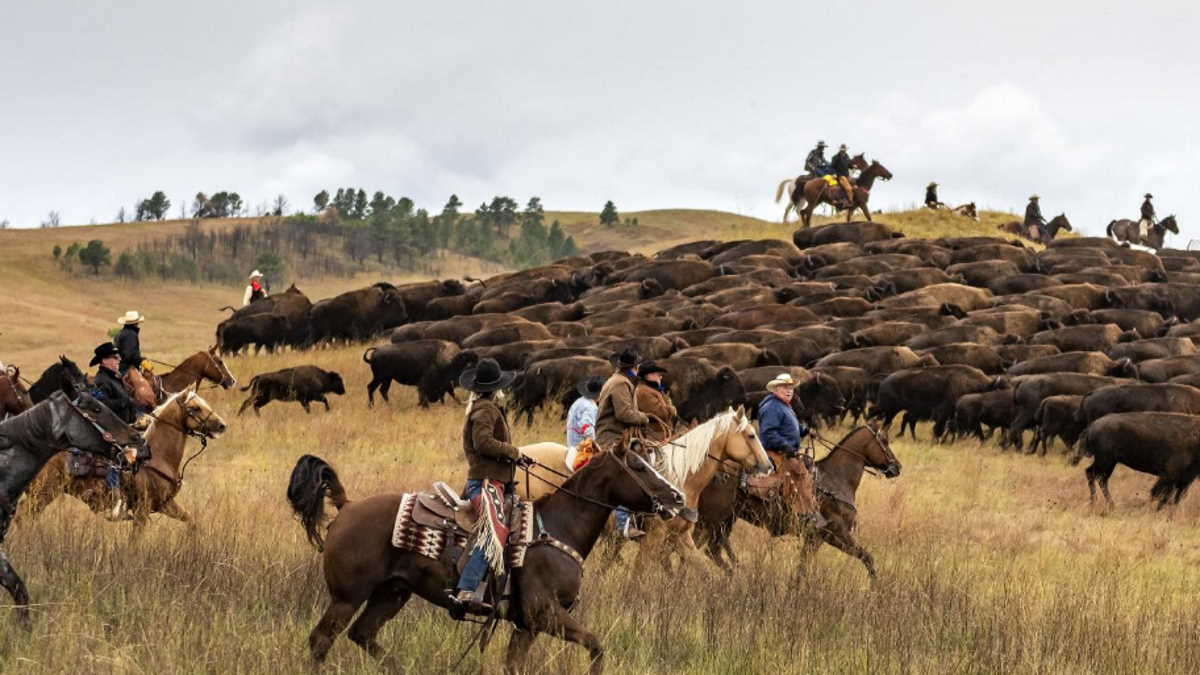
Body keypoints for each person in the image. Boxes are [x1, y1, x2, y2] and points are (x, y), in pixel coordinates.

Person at [450, 358, 528, 617]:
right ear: (497, 387)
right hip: (485, 483)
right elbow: (483, 443)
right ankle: (466, 589)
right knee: (493, 534)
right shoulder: (485, 410)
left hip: (494, 480)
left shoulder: (486, 407)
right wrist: (514, 452)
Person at [595, 348, 650, 538]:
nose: (638, 369)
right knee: (625, 475)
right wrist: (644, 418)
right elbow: (624, 413)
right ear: (633, 368)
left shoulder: (619, 380)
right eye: (637, 366)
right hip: (612, 438)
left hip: (615, 435)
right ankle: (622, 525)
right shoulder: (620, 384)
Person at [88, 342, 140, 519]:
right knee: (117, 459)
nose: (118, 360)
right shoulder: (101, 380)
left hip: (124, 428)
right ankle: (115, 502)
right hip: (109, 431)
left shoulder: (114, 378)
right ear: (104, 361)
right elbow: (100, 406)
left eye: (118, 357)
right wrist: (124, 403)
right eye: (114, 358)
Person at [757, 373, 808, 459]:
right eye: (785, 387)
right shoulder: (772, 407)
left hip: (788, 453)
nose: (789, 391)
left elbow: (788, 425)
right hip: (777, 456)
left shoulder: (784, 406)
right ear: (776, 389)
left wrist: (803, 430)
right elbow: (768, 433)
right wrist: (784, 445)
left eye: (791, 388)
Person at [634, 361, 676, 444]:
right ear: (649, 376)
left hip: (661, 434)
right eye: (657, 374)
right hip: (654, 437)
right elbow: (662, 414)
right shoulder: (643, 392)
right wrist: (672, 409)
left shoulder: (651, 389)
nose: (660, 377)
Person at [567, 376, 602, 450]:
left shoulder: (579, 401)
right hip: (581, 446)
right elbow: (586, 427)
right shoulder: (591, 407)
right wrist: (595, 444)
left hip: (571, 442)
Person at [114, 311, 146, 375]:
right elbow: (130, 355)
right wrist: (141, 360)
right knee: (145, 384)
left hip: (120, 367)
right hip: (127, 369)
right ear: (135, 323)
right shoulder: (131, 334)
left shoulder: (121, 332)